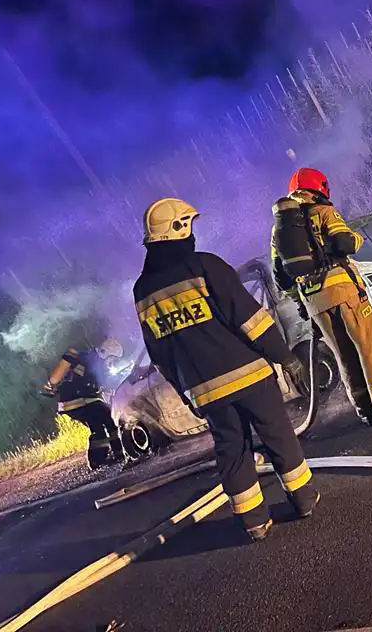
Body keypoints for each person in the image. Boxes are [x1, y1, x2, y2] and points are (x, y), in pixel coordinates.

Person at [133, 197, 318, 542]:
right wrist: (285, 357)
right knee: (278, 435)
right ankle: (304, 499)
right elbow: (249, 319)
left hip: (207, 392)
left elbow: (159, 353)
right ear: (179, 229)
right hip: (249, 375)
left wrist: (186, 394)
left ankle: (253, 522)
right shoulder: (205, 266)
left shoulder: (142, 291)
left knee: (232, 451)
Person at [271, 167, 372, 425]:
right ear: (319, 188)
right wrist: (357, 238)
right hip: (343, 292)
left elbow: (281, 278)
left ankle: (364, 410)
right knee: (371, 345)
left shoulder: (279, 231)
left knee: (343, 355)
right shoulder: (324, 212)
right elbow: (344, 243)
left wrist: (302, 303)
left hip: (314, 302)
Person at [40, 338, 126, 470]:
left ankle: (119, 453)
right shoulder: (93, 362)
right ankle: (97, 461)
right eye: (112, 359)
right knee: (99, 425)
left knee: (108, 419)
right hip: (76, 402)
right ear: (107, 353)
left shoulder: (91, 359)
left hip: (83, 401)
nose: (112, 363)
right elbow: (99, 381)